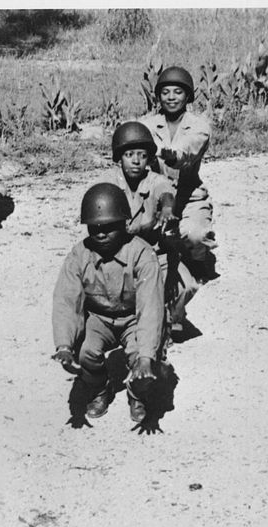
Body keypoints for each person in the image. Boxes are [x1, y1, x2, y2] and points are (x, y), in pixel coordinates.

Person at [52, 183, 164, 423]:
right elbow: (67, 300)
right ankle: (101, 388)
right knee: (85, 353)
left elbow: (150, 307)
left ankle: (137, 394)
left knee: (144, 361)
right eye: (95, 228)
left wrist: (145, 356)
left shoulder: (142, 254)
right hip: (99, 319)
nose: (101, 234)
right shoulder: (79, 255)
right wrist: (64, 345)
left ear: (123, 224)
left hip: (134, 319)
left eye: (108, 227)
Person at [101, 120, 198, 336]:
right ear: (119, 158)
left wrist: (166, 209)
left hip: (153, 254)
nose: (136, 161)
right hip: (119, 257)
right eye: (129, 155)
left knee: (186, 285)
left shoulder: (154, 179)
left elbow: (165, 191)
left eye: (142, 155)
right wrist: (145, 227)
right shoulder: (108, 184)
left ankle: (171, 314)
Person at [138, 66, 216, 282]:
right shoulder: (147, 125)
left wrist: (166, 154)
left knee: (195, 236)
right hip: (156, 197)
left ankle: (199, 261)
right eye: (165, 92)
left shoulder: (199, 126)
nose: (171, 98)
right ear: (158, 96)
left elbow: (187, 151)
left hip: (188, 196)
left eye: (178, 92)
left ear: (188, 96)